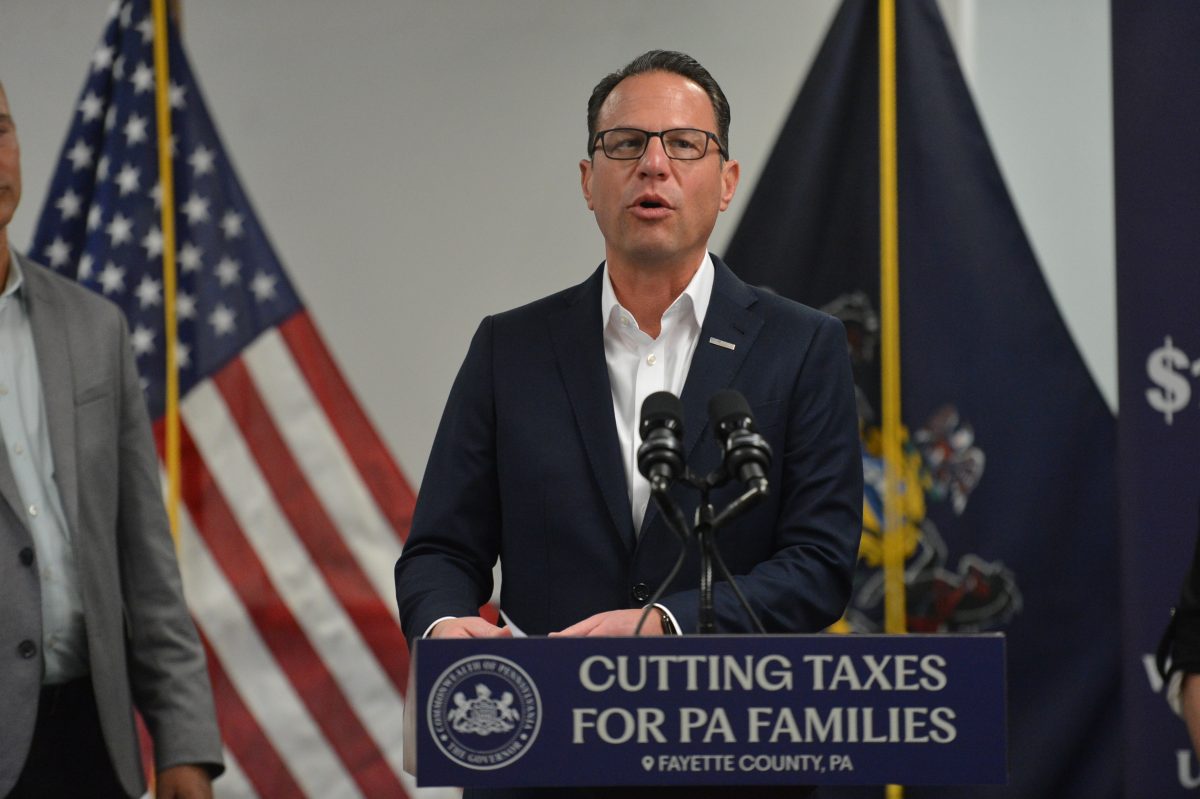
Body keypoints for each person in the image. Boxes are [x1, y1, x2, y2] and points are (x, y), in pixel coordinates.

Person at [395, 50, 862, 795]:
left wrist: (668, 626)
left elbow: (819, 564)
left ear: (727, 181)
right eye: (625, 143)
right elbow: (440, 550)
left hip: (729, 760)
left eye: (684, 144)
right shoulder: (510, 348)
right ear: (589, 181)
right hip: (542, 761)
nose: (653, 164)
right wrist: (445, 626)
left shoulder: (802, 347)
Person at [0, 81, 223, 798]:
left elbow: (145, 558)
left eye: (0, 129)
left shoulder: (94, 326)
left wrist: (185, 738)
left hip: (93, 742)